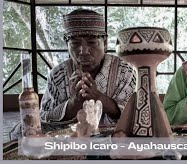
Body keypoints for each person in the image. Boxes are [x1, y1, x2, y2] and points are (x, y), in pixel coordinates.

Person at [9, 9, 136, 140]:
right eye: (75, 43)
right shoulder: (58, 74)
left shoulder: (124, 70)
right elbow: (45, 116)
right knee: (23, 129)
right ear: (67, 45)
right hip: (70, 136)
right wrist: (74, 101)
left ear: (104, 43)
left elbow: (131, 113)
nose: (84, 51)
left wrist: (97, 96)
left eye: (92, 42)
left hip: (112, 134)